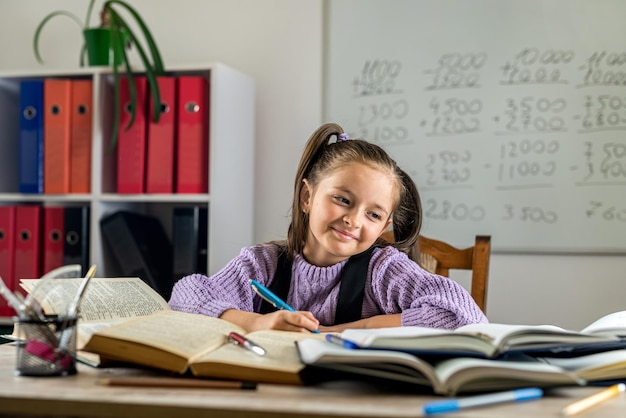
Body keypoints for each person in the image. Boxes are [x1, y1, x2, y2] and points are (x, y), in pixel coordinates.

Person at [168, 122, 488, 333]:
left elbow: (461, 314)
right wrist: (257, 323)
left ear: (384, 227)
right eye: (343, 199)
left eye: (373, 215)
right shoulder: (262, 264)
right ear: (307, 196)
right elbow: (186, 297)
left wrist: (334, 333)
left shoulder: (383, 270)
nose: (354, 220)